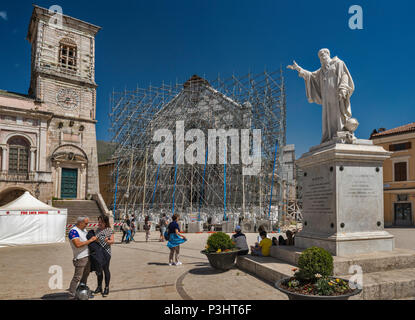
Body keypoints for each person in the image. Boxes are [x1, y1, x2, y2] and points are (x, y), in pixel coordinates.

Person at [287, 48, 356, 143]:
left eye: (324, 54)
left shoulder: (338, 63)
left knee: (339, 115)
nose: (322, 57)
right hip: (326, 99)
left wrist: (343, 88)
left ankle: (341, 134)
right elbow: (310, 76)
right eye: (320, 56)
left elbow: (344, 75)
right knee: (328, 118)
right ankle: (330, 136)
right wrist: (298, 68)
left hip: (337, 95)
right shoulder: (321, 71)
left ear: (328, 54)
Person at [68, 216, 97, 299]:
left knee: (85, 275)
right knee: (77, 277)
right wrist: (90, 240)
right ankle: (71, 295)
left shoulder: (83, 229)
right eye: (86, 223)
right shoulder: (73, 231)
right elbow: (78, 244)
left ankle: (81, 292)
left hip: (87, 256)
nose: (87, 225)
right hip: (80, 258)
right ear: (80, 222)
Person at [91, 216, 114, 297]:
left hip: (106, 252)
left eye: (101, 222)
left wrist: (107, 241)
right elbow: (96, 240)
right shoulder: (97, 230)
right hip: (98, 252)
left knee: (105, 269)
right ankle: (99, 287)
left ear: (105, 222)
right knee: (98, 270)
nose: (99, 223)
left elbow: (112, 241)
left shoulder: (109, 230)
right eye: (99, 222)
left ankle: (107, 288)